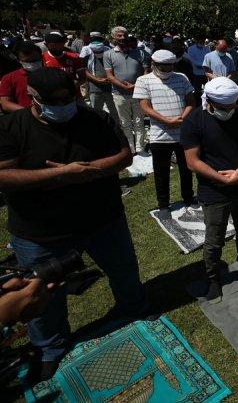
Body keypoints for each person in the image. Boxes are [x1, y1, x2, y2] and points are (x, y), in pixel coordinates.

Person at [0, 68, 148, 379]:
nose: (65, 105)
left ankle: (133, 309)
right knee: (41, 293)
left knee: (123, 269)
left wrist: (89, 170)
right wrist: (58, 175)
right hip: (40, 230)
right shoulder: (13, 126)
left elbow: (123, 156)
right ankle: (51, 345)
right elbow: (5, 175)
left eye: (70, 98)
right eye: (56, 101)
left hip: (103, 219)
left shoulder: (95, 119)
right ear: (35, 100)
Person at [181, 77, 238, 301]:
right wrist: (222, 179)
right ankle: (213, 277)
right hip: (214, 190)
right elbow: (192, 161)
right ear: (211, 102)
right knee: (214, 239)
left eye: (232, 106)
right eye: (225, 108)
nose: (229, 111)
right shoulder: (194, 121)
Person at [133, 50, 196, 217]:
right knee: (161, 172)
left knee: (187, 168)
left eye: (170, 66)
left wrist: (183, 117)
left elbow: (191, 102)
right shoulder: (143, 80)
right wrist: (166, 121)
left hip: (182, 133)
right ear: (154, 64)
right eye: (164, 66)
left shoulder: (181, 77)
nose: (167, 69)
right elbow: (145, 106)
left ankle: (188, 197)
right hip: (159, 134)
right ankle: (163, 204)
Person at [105, 34, 148, 154]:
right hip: (119, 93)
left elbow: (145, 72)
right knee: (125, 122)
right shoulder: (108, 54)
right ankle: (130, 147)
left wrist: (135, 86)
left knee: (139, 121)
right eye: (120, 42)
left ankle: (140, 147)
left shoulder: (140, 53)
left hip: (138, 92)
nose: (124, 45)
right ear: (115, 42)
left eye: (126, 42)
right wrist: (122, 85)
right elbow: (109, 75)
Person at [82, 36, 118, 120]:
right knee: (96, 113)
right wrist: (97, 80)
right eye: (95, 52)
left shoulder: (110, 53)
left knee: (115, 111)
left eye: (100, 51)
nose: (98, 53)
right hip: (95, 88)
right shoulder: (87, 56)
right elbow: (84, 70)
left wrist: (110, 78)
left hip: (110, 88)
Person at [0, 41, 41, 113]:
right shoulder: (9, 78)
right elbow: (5, 104)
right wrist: (32, 112)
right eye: (28, 61)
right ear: (19, 60)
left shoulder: (51, 74)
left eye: (36, 60)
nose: (33, 64)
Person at [187, 38, 210, 103]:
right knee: (197, 91)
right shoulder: (191, 49)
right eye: (200, 41)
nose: (202, 43)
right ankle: (197, 104)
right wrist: (203, 65)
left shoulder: (206, 48)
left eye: (203, 42)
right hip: (196, 73)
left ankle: (207, 102)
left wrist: (206, 65)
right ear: (196, 41)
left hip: (205, 73)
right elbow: (191, 60)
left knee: (207, 90)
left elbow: (208, 58)